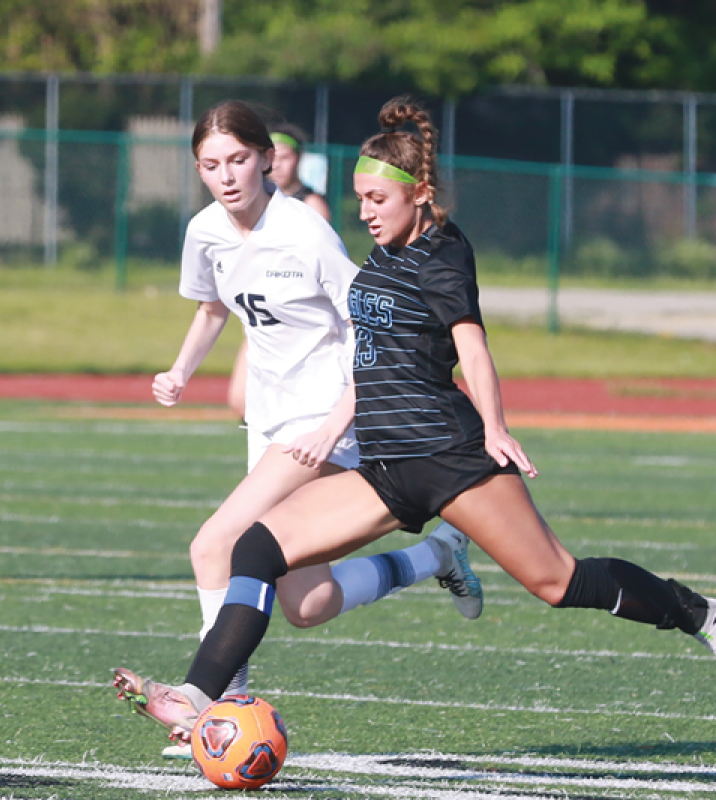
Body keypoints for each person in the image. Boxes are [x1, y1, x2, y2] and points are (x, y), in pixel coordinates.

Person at [111, 97, 716, 744]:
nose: (364, 213)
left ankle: (701, 614)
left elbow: (472, 347)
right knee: (255, 548)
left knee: (558, 581)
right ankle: (199, 696)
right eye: (360, 199)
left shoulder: (444, 255)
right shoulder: (384, 250)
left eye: (377, 200)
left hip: (448, 457)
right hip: (385, 468)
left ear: (419, 194)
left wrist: (495, 427)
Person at [119, 100, 483, 757]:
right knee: (308, 603)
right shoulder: (205, 232)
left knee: (215, 545)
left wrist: (342, 415)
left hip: (324, 418)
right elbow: (212, 310)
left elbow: (367, 322)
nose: (226, 175)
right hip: (269, 420)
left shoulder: (305, 231)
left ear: (266, 159)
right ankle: (437, 555)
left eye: (238, 160)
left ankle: (211, 711)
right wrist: (179, 370)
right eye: (211, 164)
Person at [226, 122, 331, 419]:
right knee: (240, 400)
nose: (278, 165)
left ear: (298, 159)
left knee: (297, 406)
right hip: (260, 313)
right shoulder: (256, 202)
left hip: (296, 319)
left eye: (286, 157)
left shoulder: (311, 204)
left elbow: (318, 267)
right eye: (273, 157)